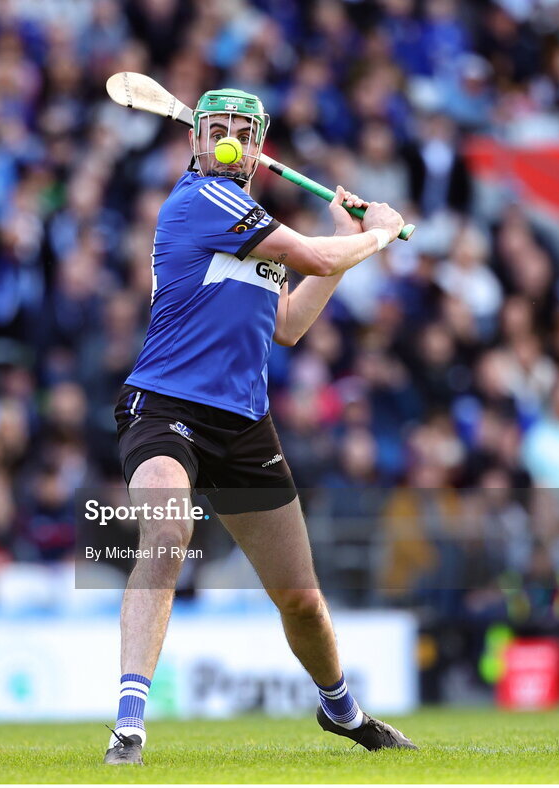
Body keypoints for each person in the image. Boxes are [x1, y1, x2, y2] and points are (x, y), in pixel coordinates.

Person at [105, 88, 416, 765]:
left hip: (244, 424)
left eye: (240, 132)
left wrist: (341, 239)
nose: (226, 141)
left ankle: (343, 711)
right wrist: (377, 234)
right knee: (167, 529)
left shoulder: (252, 219)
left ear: (258, 145)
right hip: (164, 407)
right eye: (213, 129)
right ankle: (129, 723)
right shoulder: (204, 200)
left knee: (301, 600)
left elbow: (290, 324)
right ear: (194, 140)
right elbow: (324, 260)